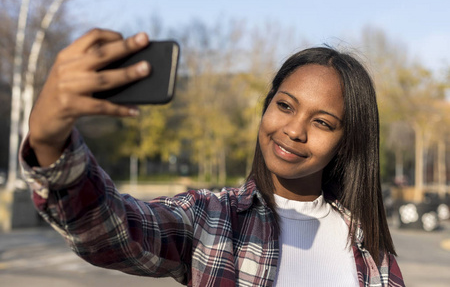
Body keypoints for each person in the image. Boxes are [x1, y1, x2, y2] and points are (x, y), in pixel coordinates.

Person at [20, 28, 405, 286]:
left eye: (322, 122)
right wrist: (49, 139)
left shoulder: (370, 249)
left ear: (347, 142)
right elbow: (111, 231)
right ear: (266, 105)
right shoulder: (211, 219)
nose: (294, 130)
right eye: (285, 105)